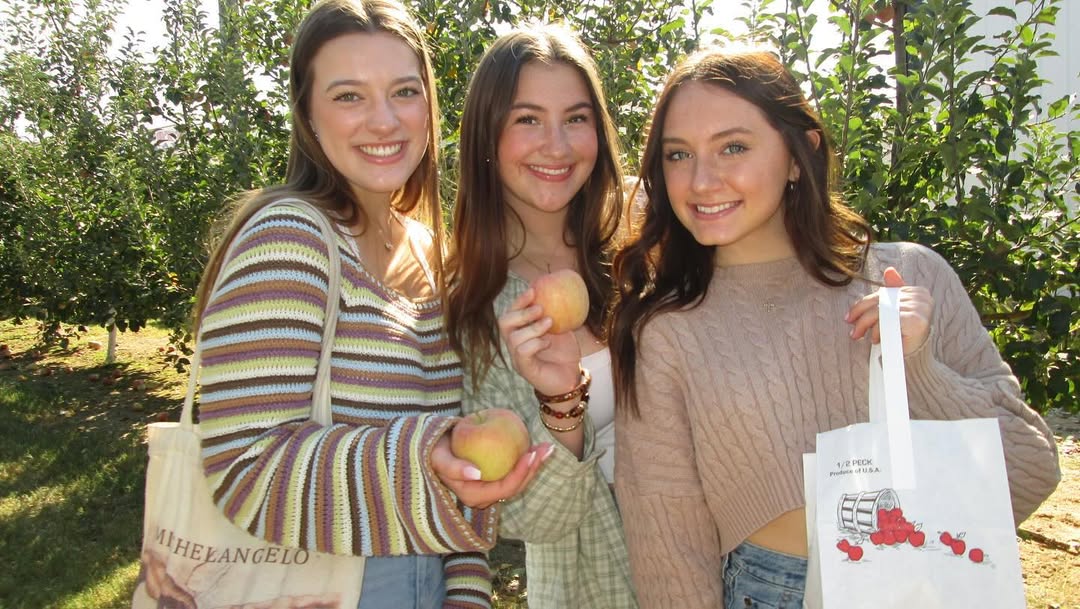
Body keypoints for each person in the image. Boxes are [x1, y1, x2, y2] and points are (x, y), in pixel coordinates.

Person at [606, 48, 1061, 609]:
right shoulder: (666, 331)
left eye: (734, 147)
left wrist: (917, 369)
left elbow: (1030, 472)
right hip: (771, 591)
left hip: (925, 578)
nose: (701, 180)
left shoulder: (910, 275)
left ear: (799, 156)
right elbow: (667, 537)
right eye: (679, 154)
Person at [191, 2, 547, 608]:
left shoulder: (432, 254)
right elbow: (243, 467)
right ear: (308, 113)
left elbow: (453, 461)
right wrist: (425, 454)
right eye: (349, 96)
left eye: (404, 91)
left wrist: (466, 593)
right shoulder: (290, 238)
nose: (384, 121)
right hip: (320, 587)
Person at [446, 24, 638, 609]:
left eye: (576, 118)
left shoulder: (638, 245)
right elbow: (529, 517)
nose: (556, 145)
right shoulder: (477, 303)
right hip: (604, 583)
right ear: (487, 135)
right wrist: (561, 404)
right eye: (527, 119)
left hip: (728, 567)